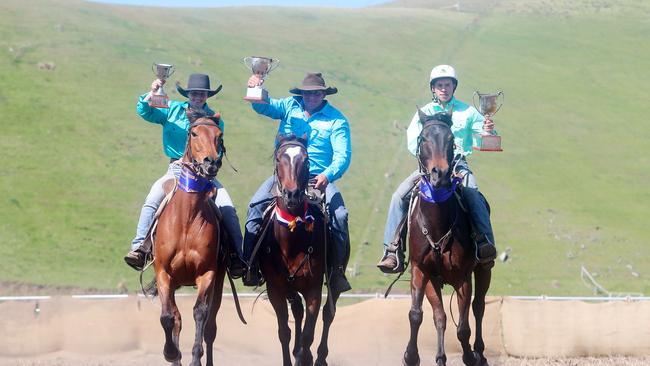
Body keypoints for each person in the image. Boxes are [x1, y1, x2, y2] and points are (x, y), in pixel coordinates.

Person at [377, 64, 497, 273]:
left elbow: (485, 139)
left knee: (473, 195)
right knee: (398, 196)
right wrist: (429, 162)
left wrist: (488, 129)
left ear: (454, 87)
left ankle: (484, 243)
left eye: (447, 84)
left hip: (458, 166)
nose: (443, 88)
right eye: (439, 85)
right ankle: (392, 250)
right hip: (429, 168)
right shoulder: (424, 113)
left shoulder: (468, 111)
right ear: (433, 88)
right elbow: (412, 141)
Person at [124, 73, 247, 277]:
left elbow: (216, 148)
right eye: (195, 93)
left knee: (228, 207)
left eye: (202, 93)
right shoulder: (171, 109)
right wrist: (152, 93)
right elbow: (144, 112)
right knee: (153, 197)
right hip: (176, 169)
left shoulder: (215, 119)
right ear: (188, 94)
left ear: (207, 95)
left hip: (204, 173)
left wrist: (211, 166)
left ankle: (238, 257)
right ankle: (140, 248)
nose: (198, 96)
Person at [242, 72, 352, 293]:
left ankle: (336, 271)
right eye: (307, 93)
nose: (311, 96)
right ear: (301, 93)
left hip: (317, 178)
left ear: (324, 94)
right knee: (254, 206)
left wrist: (327, 176)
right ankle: (249, 264)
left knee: (339, 215)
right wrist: (255, 89)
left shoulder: (336, 120)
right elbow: (264, 107)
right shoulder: (289, 105)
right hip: (283, 177)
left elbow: (343, 156)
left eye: (317, 93)